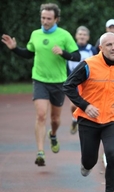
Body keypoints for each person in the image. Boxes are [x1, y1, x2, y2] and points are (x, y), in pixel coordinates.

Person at [63, 32, 114, 192]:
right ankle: (86, 164)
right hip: (88, 120)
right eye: (109, 45)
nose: (113, 48)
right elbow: (68, 86)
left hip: (112, 119)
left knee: (112, 155)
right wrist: (85, 106)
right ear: (101, 48)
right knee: (90, 160)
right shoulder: (88, 65)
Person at [1, 3, 80, 166]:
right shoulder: (35, 34)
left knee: (55, 119)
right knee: (41, 115)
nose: (44, 21)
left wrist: (63, 53)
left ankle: (53, 134)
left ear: (56, 19)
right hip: (39, 80)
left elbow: (77, 56)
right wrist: (15, 49)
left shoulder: (64, 35)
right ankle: (40, 152)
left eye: (48, 19)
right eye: (43, 18)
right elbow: (29, 53)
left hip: (58, 82)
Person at [67, 25, 98, 134]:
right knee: (73, 105)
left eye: (84, 35)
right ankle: (74, 118)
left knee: (88, 104)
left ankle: (85, 124)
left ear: (88, 37)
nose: (82, 37)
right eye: (80, 34)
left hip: (87, 82)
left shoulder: (92, 50)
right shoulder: (71, 48)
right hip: (74, 82)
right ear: (76, 36)